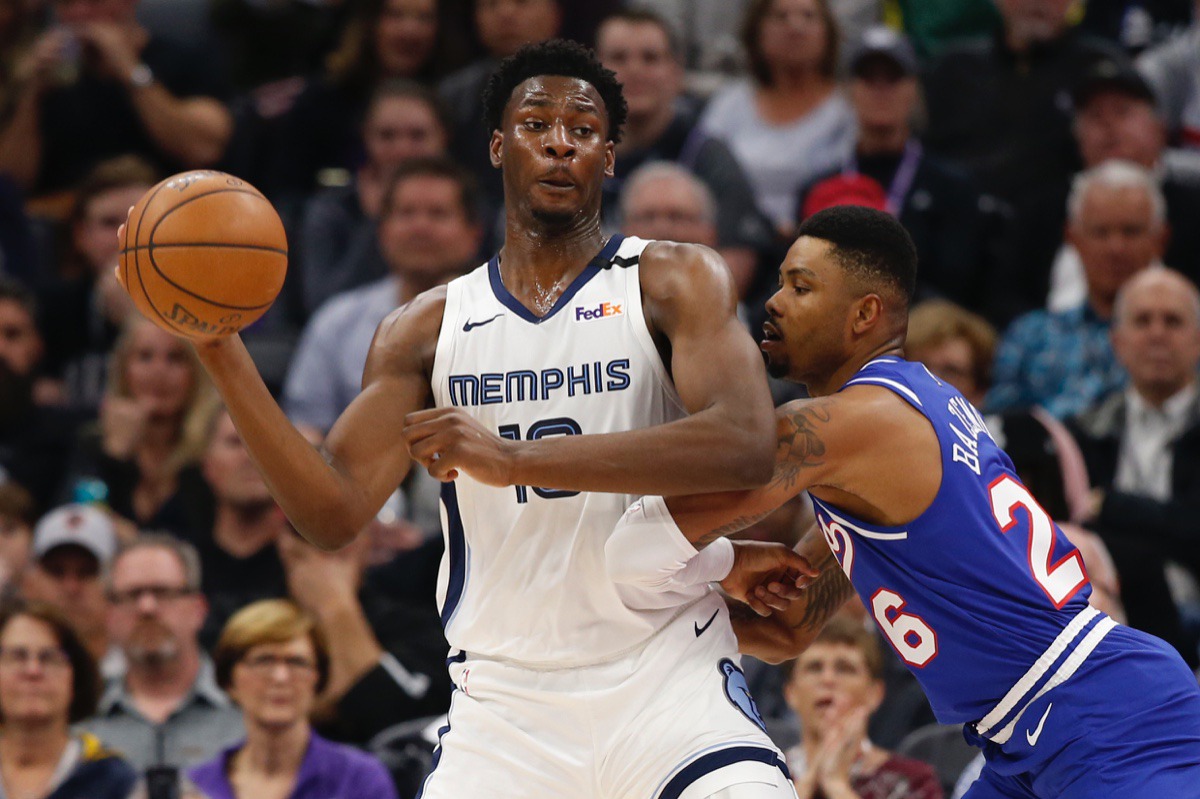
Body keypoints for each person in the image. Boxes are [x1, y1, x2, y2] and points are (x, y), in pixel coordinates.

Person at [119, 38, 810, 798]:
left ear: (609, 157)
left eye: (582, 130)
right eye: (535, 122)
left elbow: (745, 444)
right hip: (507, 710)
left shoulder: (673, 279)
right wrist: (219, 349)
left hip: (667, 679)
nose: (557, 139)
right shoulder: (425, 327)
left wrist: (512, 460)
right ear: (496, 145)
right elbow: (331, 511)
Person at [606, 204, 1200, 798]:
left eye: (802, 286)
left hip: (1104, 712)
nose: (773, 301)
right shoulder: (892, 428)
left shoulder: (855, 422)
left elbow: (658, 531)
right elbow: (788, 629)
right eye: (781, 281)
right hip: (1023, 734)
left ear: (864, 314)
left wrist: (527, 470)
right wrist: (680, 615)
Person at [797, 27, 1001, 316]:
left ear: (914, 89)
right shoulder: (818, 188)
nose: (881, 89)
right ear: (847, 89)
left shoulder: (953, 188)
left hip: (923, 331)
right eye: (868, 78)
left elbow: (960, 284)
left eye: (893, 78)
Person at [285, 157, 481, 431]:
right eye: (406, 213)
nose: (420, 227)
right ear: (383, 232)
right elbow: (306, 428)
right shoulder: (337, 320)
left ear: (473, 234)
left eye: (438, 214)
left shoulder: (507, 320)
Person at [1067, 266, 1200, 664]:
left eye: (1173, 321)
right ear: (1117, 341)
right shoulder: (1081, 432)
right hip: (1109, 616)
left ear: (1197, 339)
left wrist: (1115, 507)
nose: (1157, 334)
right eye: (1143, 321)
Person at [594, 8, 774, 297]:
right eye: (618, 58)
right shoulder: (573, 156)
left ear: (677, 73)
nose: (635, 70)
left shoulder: (708, 156)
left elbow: (736, 267)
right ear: (593, 71)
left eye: (650, 58)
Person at [0, 0, 233, 199]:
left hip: (165, 214)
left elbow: (203, 149)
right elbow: (9, 184)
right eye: (67, 2)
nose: (80, 12)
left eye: (95, 0)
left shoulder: (187, 59)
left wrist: (130, 70)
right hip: (68, 229)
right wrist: (31, 95)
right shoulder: (48, 81)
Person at [986, 160, 1166, 419]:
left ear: (1161, 239)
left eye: (1131, 231)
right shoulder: (1030, 338)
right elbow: (998, 432)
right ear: (1072, 239)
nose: (1116, 248)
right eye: (1100, 232)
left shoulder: (1187, 338)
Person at [188, 599, 398, 799]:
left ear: (318, 679)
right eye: (263, 660)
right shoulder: (198, 785)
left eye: (297, 662)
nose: (281, 677)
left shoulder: (358, 778)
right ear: (229, 680)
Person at [81, 535, 244, 774]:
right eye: (133, 594)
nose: (147, 607)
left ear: (199, 609)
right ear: (110, 615)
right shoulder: (81, 716)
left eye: (163, 592)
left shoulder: (248, 709)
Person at [293, 81, 451, 320]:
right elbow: (322, 311)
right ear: (365, 138)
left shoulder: (474, 208)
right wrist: (375, 221)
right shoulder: (328, 212)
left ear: (443, 137)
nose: (402, 150)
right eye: (387, 136)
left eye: (417, 136)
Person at [698, 0, 854, 233]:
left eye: (809, 16)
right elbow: (705, 172)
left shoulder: (849, 109)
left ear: (828, 32)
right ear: (757, 31)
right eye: (781, 17)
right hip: (734, 238)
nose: (795, 27)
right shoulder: (728, 103)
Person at [63, 317, 217, 535]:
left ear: (196, 373)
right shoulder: (92, 444)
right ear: (124, 370)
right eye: (145, 357)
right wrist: (114, 454)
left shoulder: (211, 448)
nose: (159, 371)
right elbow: (70, 524)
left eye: (175, 358)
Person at [37, 155, 156, 412]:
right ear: (81, 235)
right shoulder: (46, 311)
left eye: (139, 222)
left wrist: (135, 321)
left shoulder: (196, 311)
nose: (124, 237)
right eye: (109, 223)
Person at [782, 617, 942, 799]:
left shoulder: (913, 780)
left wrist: (836, 785)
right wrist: (809, 781)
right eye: (814, 668)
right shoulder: (761, 770)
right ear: (791, 692)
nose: (828, 679)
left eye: (845, 669)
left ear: (875, 694)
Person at [0, 600, 138, 799]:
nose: (33, 670)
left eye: (49, 657)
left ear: (75, 677)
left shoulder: (114, 781)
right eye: (17, 656)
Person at [189, 408, 289, 648]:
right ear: (207, 465)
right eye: (235, 443)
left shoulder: (314, 565)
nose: (250, 455)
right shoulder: (181, 568)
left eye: (262, 442)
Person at [20, 502, 123, 679]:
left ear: (116, 584)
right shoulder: (8, 674)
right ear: (30, 584)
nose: (71, 588)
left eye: (87, 572)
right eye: (56, 571)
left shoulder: (140, 671)